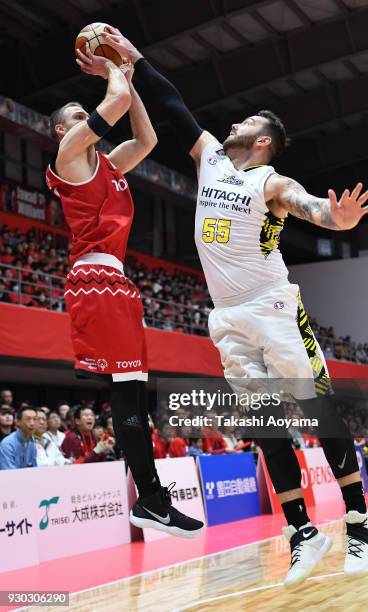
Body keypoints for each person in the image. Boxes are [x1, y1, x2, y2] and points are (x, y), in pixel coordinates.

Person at [96, 27, 368, 583]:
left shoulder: (272, 180)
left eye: (244, 124)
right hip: (226, 316)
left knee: (316, 409)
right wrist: (133, 57)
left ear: (265, 141)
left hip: (271, 305)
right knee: (265, 423)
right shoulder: (210, 159)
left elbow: (308, 207)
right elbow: (174, 107)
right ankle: (302, 531)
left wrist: (334, 218)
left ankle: (359, 523)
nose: (231, 125)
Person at [46, 44, 203, 539]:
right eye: (77, 115)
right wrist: (115, 70)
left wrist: (130, 81)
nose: (86, 117)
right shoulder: (70, 156)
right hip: (95, 279)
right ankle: (152, 501)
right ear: (61, 130)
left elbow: (147, 136)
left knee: (134, 397)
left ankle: (151, 500)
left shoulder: (110, 164)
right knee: (128, 397)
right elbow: (110, 107)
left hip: (115, 281)